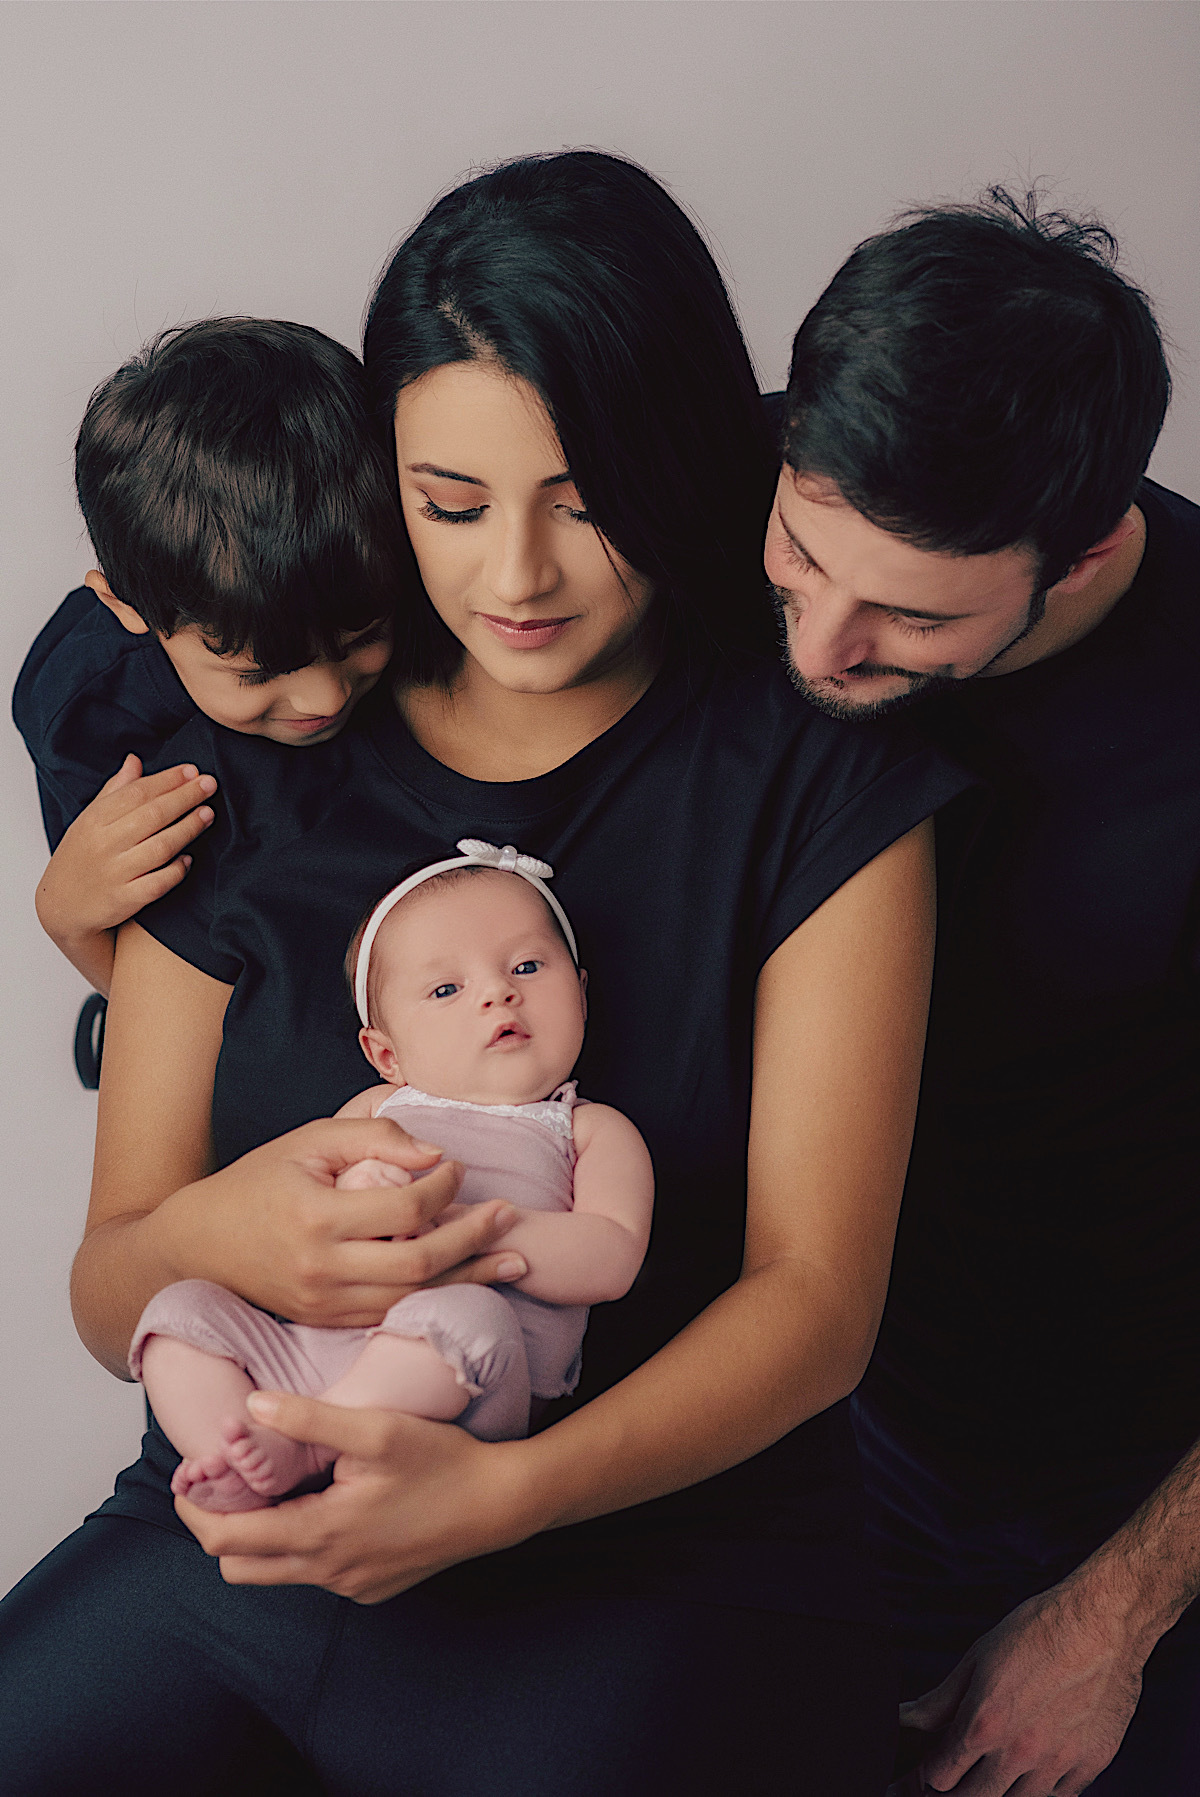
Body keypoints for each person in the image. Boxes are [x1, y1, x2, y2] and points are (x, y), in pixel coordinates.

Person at [0, 151, 965, 1796]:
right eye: (449, 505)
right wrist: (232, 1237)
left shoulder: (810, 767)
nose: (515, 577)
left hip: (646, 1549)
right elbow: (114, 1282)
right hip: (241, 1531)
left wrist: (507, 1494)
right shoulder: (257, 737)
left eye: (583, 500)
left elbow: (817, 1309)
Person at [766, 189, 1200, 1796]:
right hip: (791, 1416)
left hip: (1116, 1492)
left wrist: (1110, 1620)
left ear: (1081, 551)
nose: (821, 641)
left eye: (912, 617)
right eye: (800, 557)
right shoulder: (727, 476)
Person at [135, 844, 653, 1512]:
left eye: (526, 965)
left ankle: (308, 1443)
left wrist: (459, 1229)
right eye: (446, 989)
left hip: (464, 1387)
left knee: (470, 1314)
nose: (500, 991)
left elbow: (611, 1258)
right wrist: (357, 1198)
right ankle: (230, 1453)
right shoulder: (374, 1113)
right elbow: (301, 1210)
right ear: (387, 1055)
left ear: (580, 994)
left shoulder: (585, 1128)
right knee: (175, 1312)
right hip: (308, 1359)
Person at [12, 316, 405, 995]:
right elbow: (140, 944)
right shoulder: (92, 713)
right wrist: (68, 922)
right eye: (258, 671)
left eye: (360, 638)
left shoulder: (385, 563)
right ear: (126, 607)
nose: (327, 697)